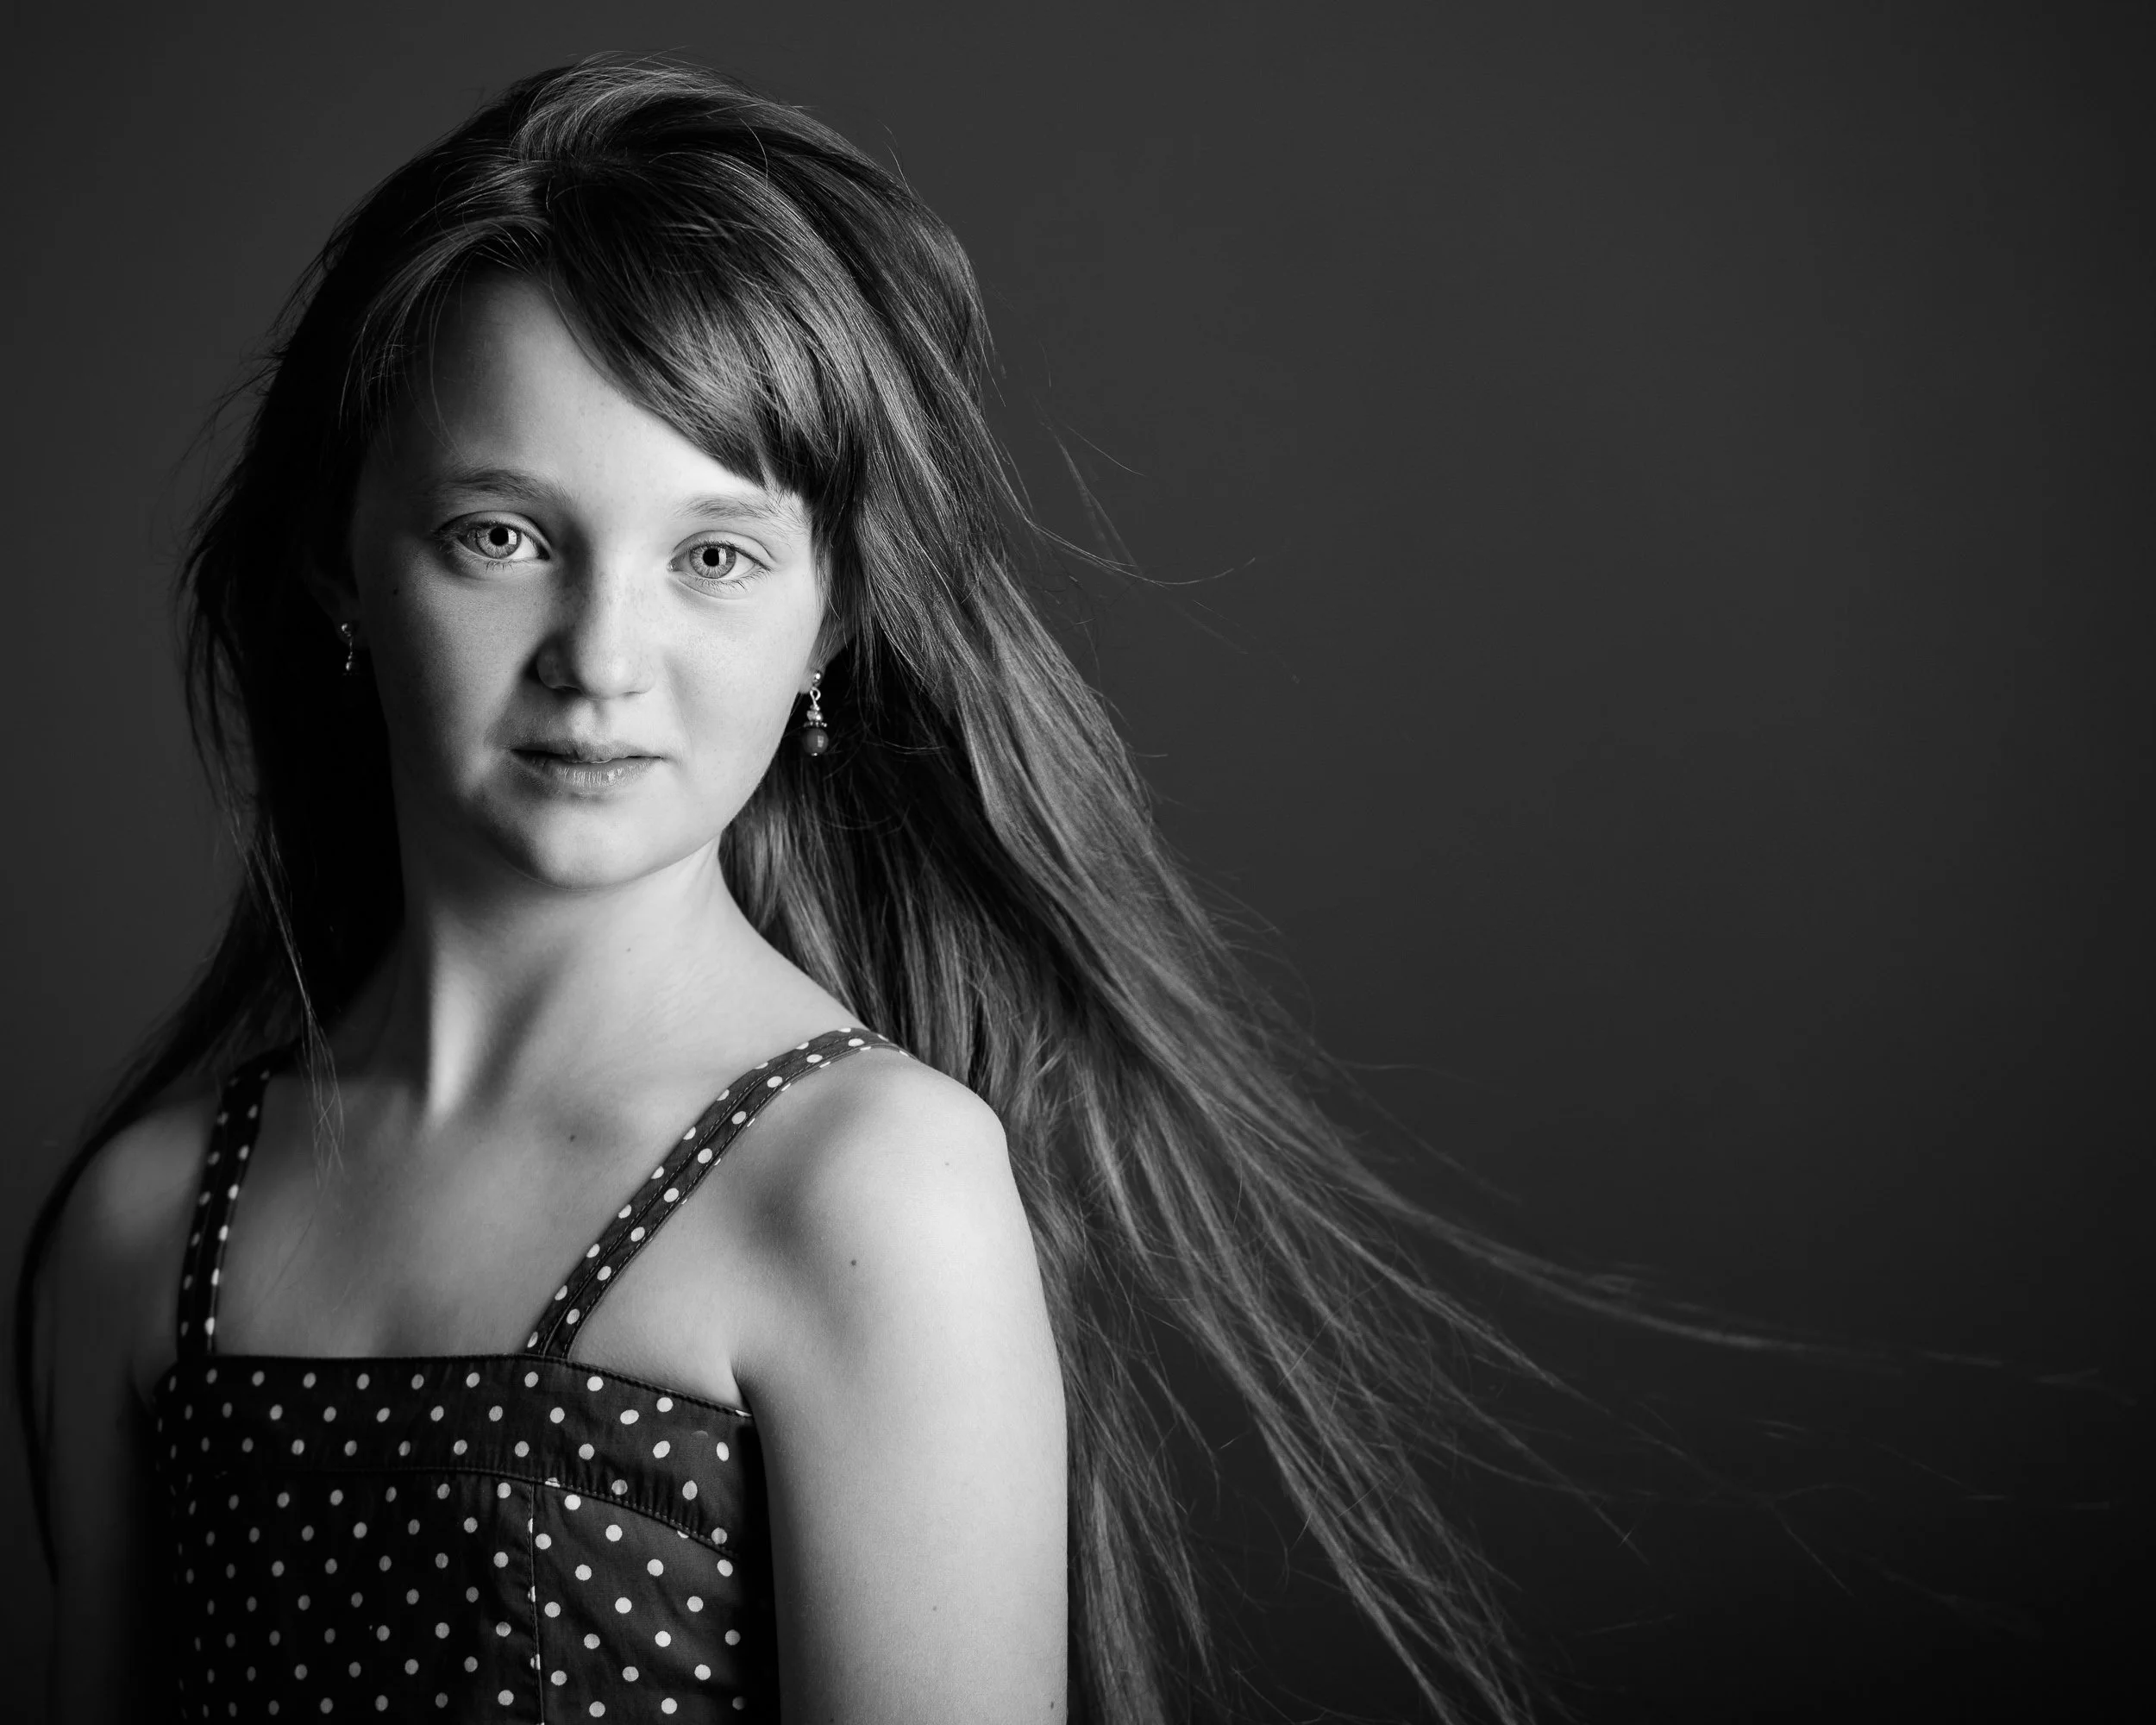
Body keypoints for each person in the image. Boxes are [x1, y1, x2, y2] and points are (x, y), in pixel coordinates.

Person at [17, 56, 1539, 1725]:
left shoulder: (868, 1191)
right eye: (502, 535)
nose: (602, 659)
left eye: (714, 557)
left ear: (830, 625)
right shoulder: (143, 1229)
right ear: (339, 559)